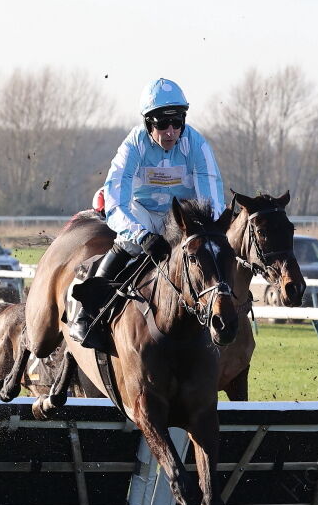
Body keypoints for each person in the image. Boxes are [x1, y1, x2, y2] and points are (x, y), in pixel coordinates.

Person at [68, 78, 226, 347]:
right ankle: (87, 315)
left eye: (177, 122)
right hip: (141, 213)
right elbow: (116, 202)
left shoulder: (196, 144)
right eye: (162, 124)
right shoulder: (133, 146)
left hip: (179, 217)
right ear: (147, 123)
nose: (170, 131)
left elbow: (212, 198)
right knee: (128, 243)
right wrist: (141, 235)